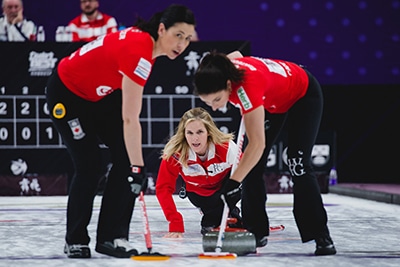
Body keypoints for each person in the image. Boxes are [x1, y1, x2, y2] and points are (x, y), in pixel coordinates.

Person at [45, 4, 196, 259]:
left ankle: (112, 238)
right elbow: (129, 118)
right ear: (161, 29)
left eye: (188, 38)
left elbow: (127, 118)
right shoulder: (140, 53)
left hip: (100, 95)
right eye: (178, 35)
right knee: (91, 164)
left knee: (128, 162)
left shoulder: (145, 46)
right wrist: (138, 169)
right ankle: (75, 240)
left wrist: (134, 167)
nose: (182, 44)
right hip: (67, 95)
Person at [193, 51, 337, 256]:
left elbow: (257, 145)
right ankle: (256, 231)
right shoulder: (225, 67)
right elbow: (235, 54)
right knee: (252, 164)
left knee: (298, 163)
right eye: (208, 103)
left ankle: (320, 234)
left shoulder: (246, 88)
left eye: (217, 99)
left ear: (227, 85)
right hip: (273, 101)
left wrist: (233, 183)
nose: (215, 107)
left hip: (303, 94)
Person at [156, 107, 243, 238]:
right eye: (189, 133)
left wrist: (253, 215)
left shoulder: (227, 148)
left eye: (200, 132)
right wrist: (175, 223)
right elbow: (163, 188)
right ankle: (221, 214)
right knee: (211, 218)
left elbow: (249, 175)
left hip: (227, 190)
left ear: (208, 132)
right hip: (199, 194)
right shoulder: (175, 154)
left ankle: (229, 212)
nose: (195, 138)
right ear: (183, 133)